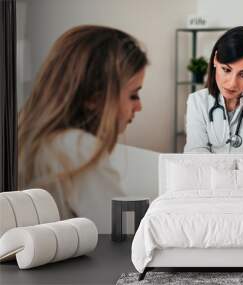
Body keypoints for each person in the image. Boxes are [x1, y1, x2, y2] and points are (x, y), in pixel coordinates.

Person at [18, 25, 148, 233]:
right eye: (133, 95)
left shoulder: (27, 140)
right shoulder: (78, 149)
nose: (139, 106)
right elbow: (122, 235)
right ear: (94, 97)